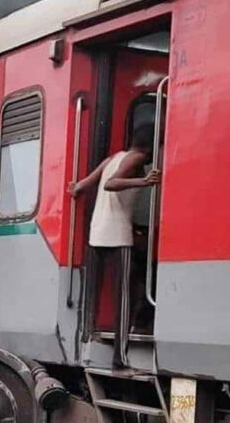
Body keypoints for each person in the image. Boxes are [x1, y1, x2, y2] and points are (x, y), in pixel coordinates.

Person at [69, 125, 159, 369]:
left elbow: (84, 184)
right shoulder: (138, 158)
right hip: (118, 235)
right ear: (149, 147)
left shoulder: (113, 157)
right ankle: (120, 357)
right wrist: (145, 180)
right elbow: (110, 183)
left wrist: (75, 189)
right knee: (125, 297)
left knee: (115, 289)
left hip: (97, 234)